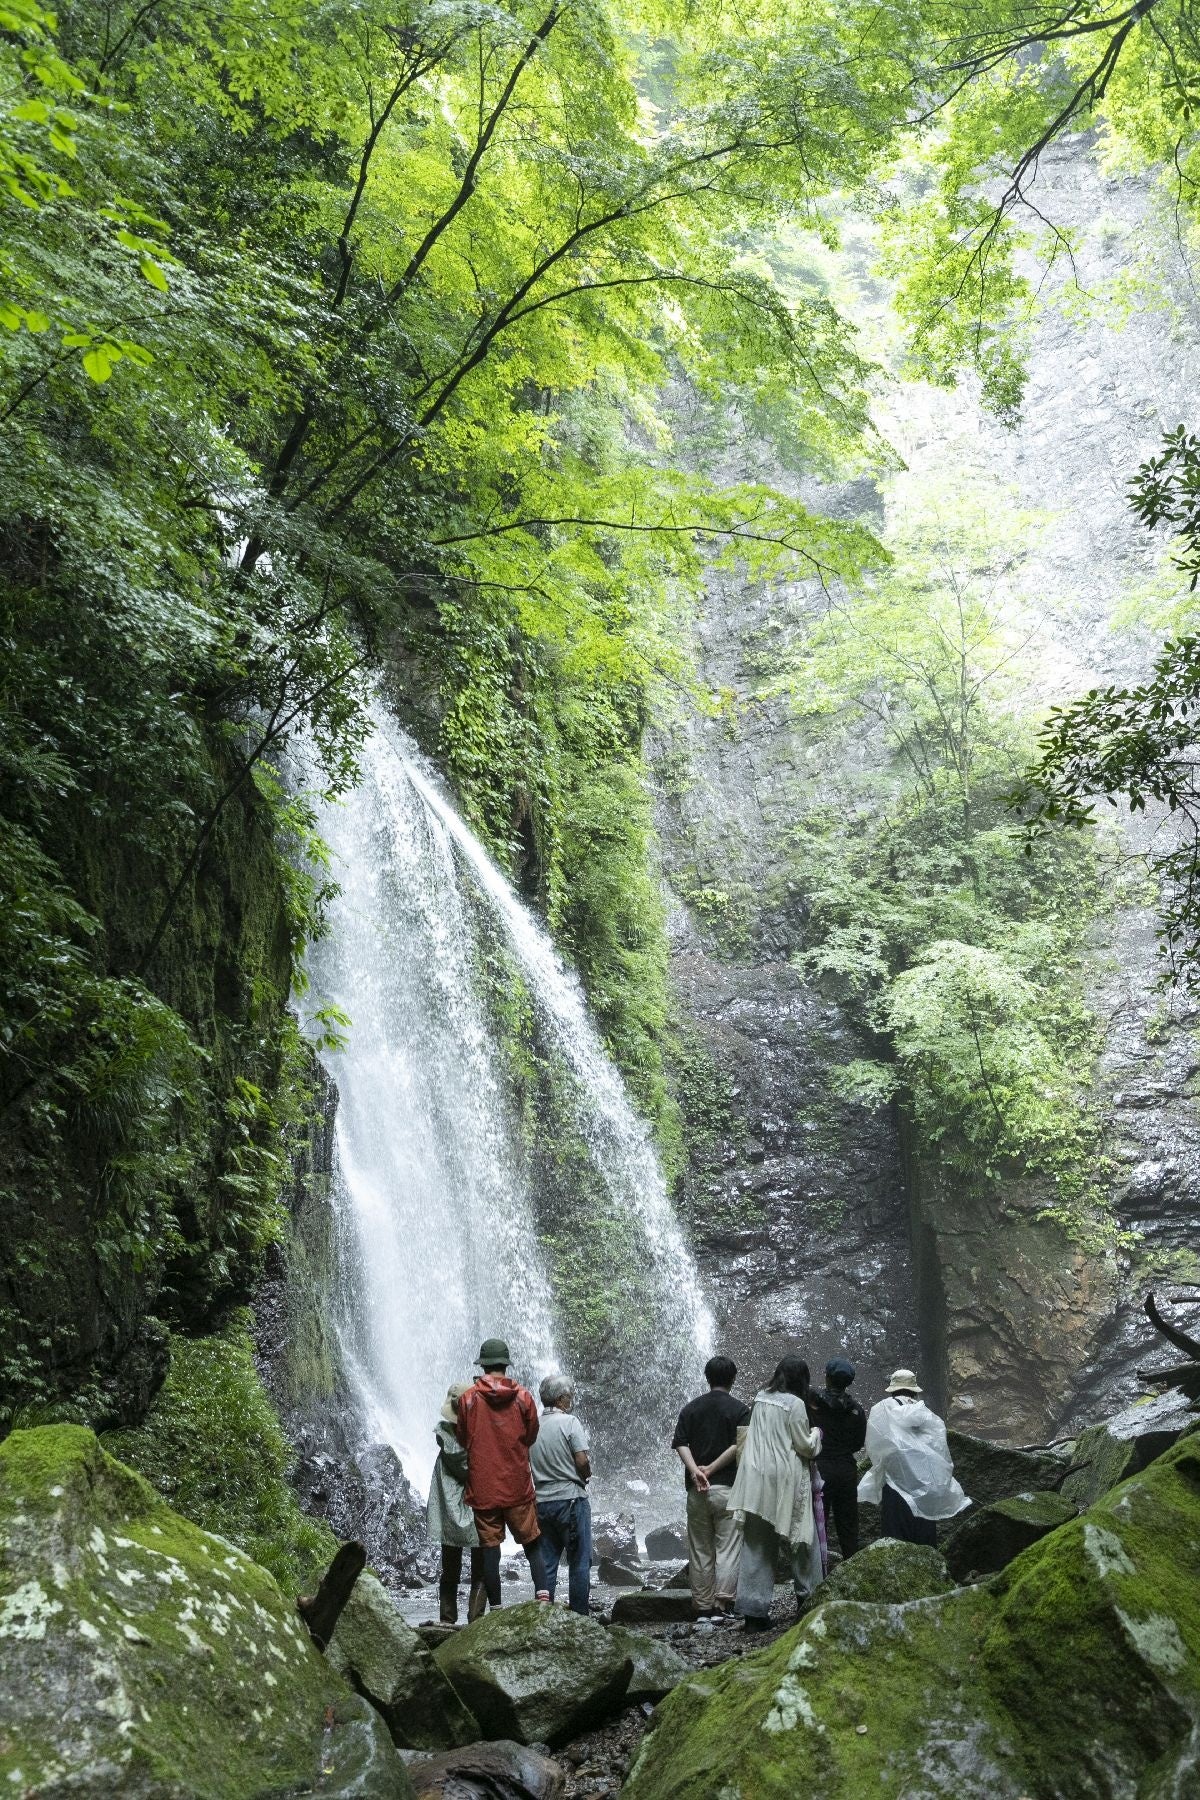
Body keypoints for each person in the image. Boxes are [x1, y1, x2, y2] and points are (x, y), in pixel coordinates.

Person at [729, 1355, 823, 1630]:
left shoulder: (760, 1397)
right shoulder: (795, 1404)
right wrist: (816, 1433)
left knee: (757, 1543)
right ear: (801, 1380)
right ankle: (810, 1601)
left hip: (755, 1476)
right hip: (786, 1477)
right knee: (802, 1540)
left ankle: (753, 1613)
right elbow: (804, 1446)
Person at [456, 1337, 549, 1611]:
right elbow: (531, 1435)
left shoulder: (468, 1399)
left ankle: (496, 1608)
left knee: (490, 1549)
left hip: (483, 1486)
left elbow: (463, 1438)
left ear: (483, 1365)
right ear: (505, 1365)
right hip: (517, 1483)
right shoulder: (523, 1397)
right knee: (532, 1541)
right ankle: (543, 1597)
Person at [671, 1354, 751, 1620]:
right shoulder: (740, 1410)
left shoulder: (691, 1408)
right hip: (728, 1489)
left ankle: (702, 1606)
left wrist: (696, 1471)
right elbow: (739, 1445)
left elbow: (681, 1442)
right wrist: (712, 1469)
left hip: (697, 1491)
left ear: (707, 1378)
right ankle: (722, 1604)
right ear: (733, 1379)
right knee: (728, 1546)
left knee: (700, 1548)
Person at [858, 1368, 969, 1545]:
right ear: (914, 1391)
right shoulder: (926, 1414)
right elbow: (938, 1448)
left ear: (892, 1389)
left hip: (895, 1484)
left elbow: (875, 1445)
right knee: (924, 1529)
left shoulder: (883, 1408)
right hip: (925, 1485)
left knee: (895, 1536)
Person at [529, 1373, 592, 1615]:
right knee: (578, 1562)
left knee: (546, 1563)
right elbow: (581, 1459)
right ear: (561, 1398)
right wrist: (585, 1474)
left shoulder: (532, 1425)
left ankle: (544, 1617)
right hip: (571, 1501)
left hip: (542, 1502)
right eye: (570, 1396)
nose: (572, 1400)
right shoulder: (570, 1422)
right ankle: (579, 1616)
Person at [427, 1380, 484, 1625]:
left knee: (449, 1568)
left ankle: (447, 1619)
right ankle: (476, 1618)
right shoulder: (480, 1443)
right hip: (478, 1508)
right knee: (480, 1566)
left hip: (450, 1516)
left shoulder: (444, 1445)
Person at [810, 1356, 867, 1561]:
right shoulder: (856, 1410)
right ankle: (852, 1568)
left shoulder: (814, 1403)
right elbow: (858, 1443)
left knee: (818, 1522)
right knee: (848, 1524)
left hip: (821, 1469)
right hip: (846, 1470)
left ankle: (816, 1573)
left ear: (827, 1378)